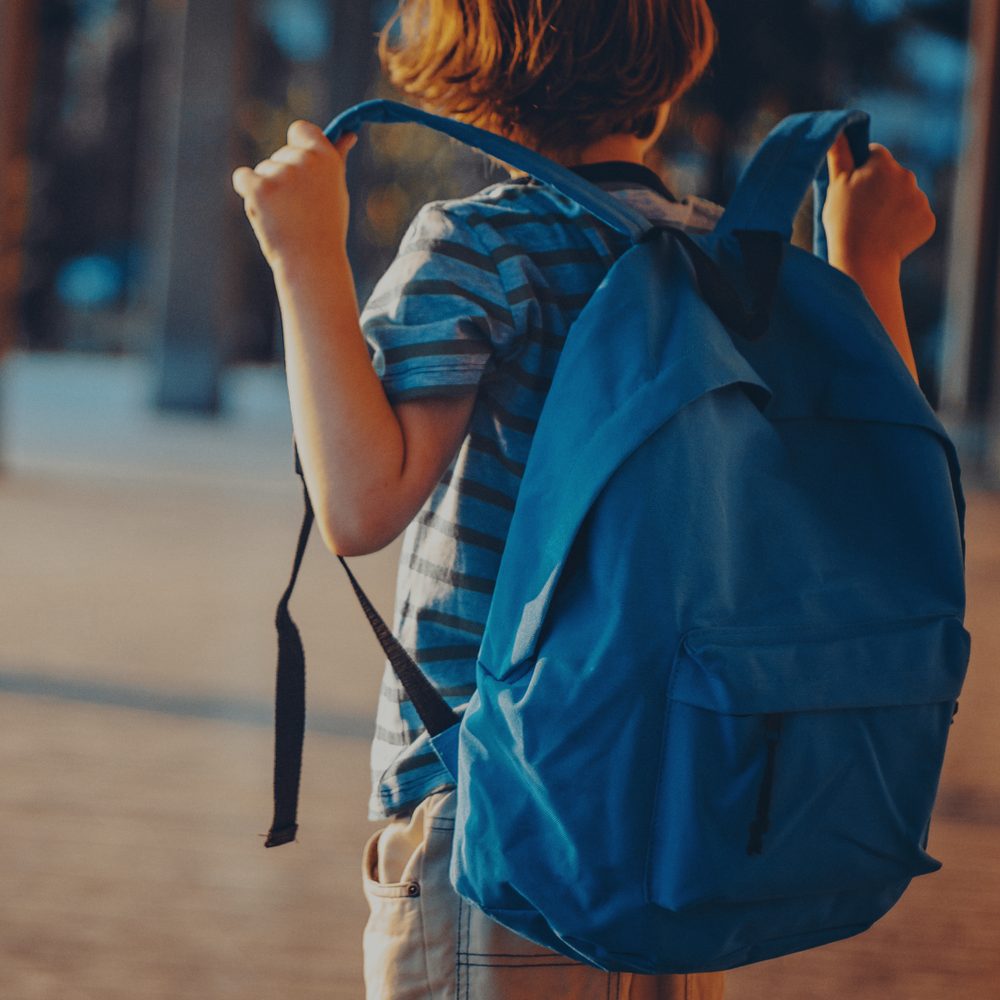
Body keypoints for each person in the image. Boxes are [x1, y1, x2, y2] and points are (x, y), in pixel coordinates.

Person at [232, 1, 936, 996]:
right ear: (667, 75)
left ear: (464, 73)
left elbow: (361, 504)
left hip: (498, 811)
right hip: (686, 808)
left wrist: (301, 256)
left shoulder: (479, 247)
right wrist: (865, 264)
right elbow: (867, 492)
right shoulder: (729, 265)